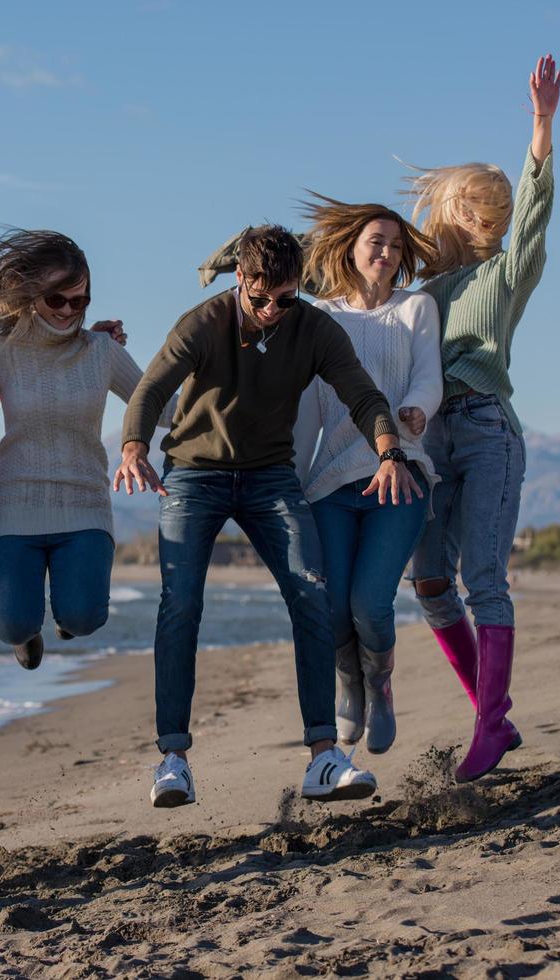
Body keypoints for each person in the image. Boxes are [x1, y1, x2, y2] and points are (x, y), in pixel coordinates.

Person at [117, 225, 419, 808]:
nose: (273, 311)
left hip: (270, 477)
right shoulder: (203, 323)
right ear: (240, 281)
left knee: (311, 590)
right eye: (261, 300)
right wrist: (133, 447)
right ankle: (173, 760)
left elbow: (363, 394)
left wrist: (389, 451)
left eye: (286, 298)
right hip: (193, 474)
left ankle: (323, 758)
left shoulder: (311, 328)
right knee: (181, 602)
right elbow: (151, 390)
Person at [407, 54, 560, 783]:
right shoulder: (423, 288)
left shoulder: (504, 273)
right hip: (427, 438)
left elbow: (533, 217)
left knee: (483, 579)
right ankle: (491, 717)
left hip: (485, 429)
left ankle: (487, 725)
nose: (482, 217)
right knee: (430, 582)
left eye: (489, 207)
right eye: (475, 204)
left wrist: (539, 126)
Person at [0, 230, 174, 667]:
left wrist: (230, 401)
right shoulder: (1, 354)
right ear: (31, 294)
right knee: (11, 623)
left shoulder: (101, 351)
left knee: (83, 616)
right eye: (57, 300)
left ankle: (66, 620)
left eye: (79, 301)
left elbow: (162, 408)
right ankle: (27, 632)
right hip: (16, 507)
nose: (68, 311)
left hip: (85, 506)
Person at [292, 200, 441, 778]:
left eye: (396, 246)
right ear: (351, 248)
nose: (386, 252)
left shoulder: (416, 308)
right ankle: (349, 685)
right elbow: (307, 411)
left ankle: (380, 686)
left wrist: (416, 409)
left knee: (370, 603)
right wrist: (295, 481)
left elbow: (428, 373)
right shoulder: (319, 317)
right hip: (331, 481)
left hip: (400, 472)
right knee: (330, 607)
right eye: (376, 241)